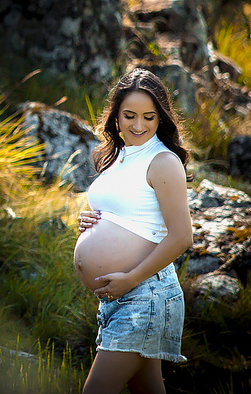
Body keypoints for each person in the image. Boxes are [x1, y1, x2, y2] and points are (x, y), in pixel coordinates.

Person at [74, 68, 193, 394]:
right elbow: (127, 214)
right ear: (116, 115)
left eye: (148, 117)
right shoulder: (119, 155)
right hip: (121, 296)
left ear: (160, 118)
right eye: (129, 116)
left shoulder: (162, 161)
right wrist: (90, 222)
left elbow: (182, 236)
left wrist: (131, 278)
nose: (138, 125)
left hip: (144, 294)